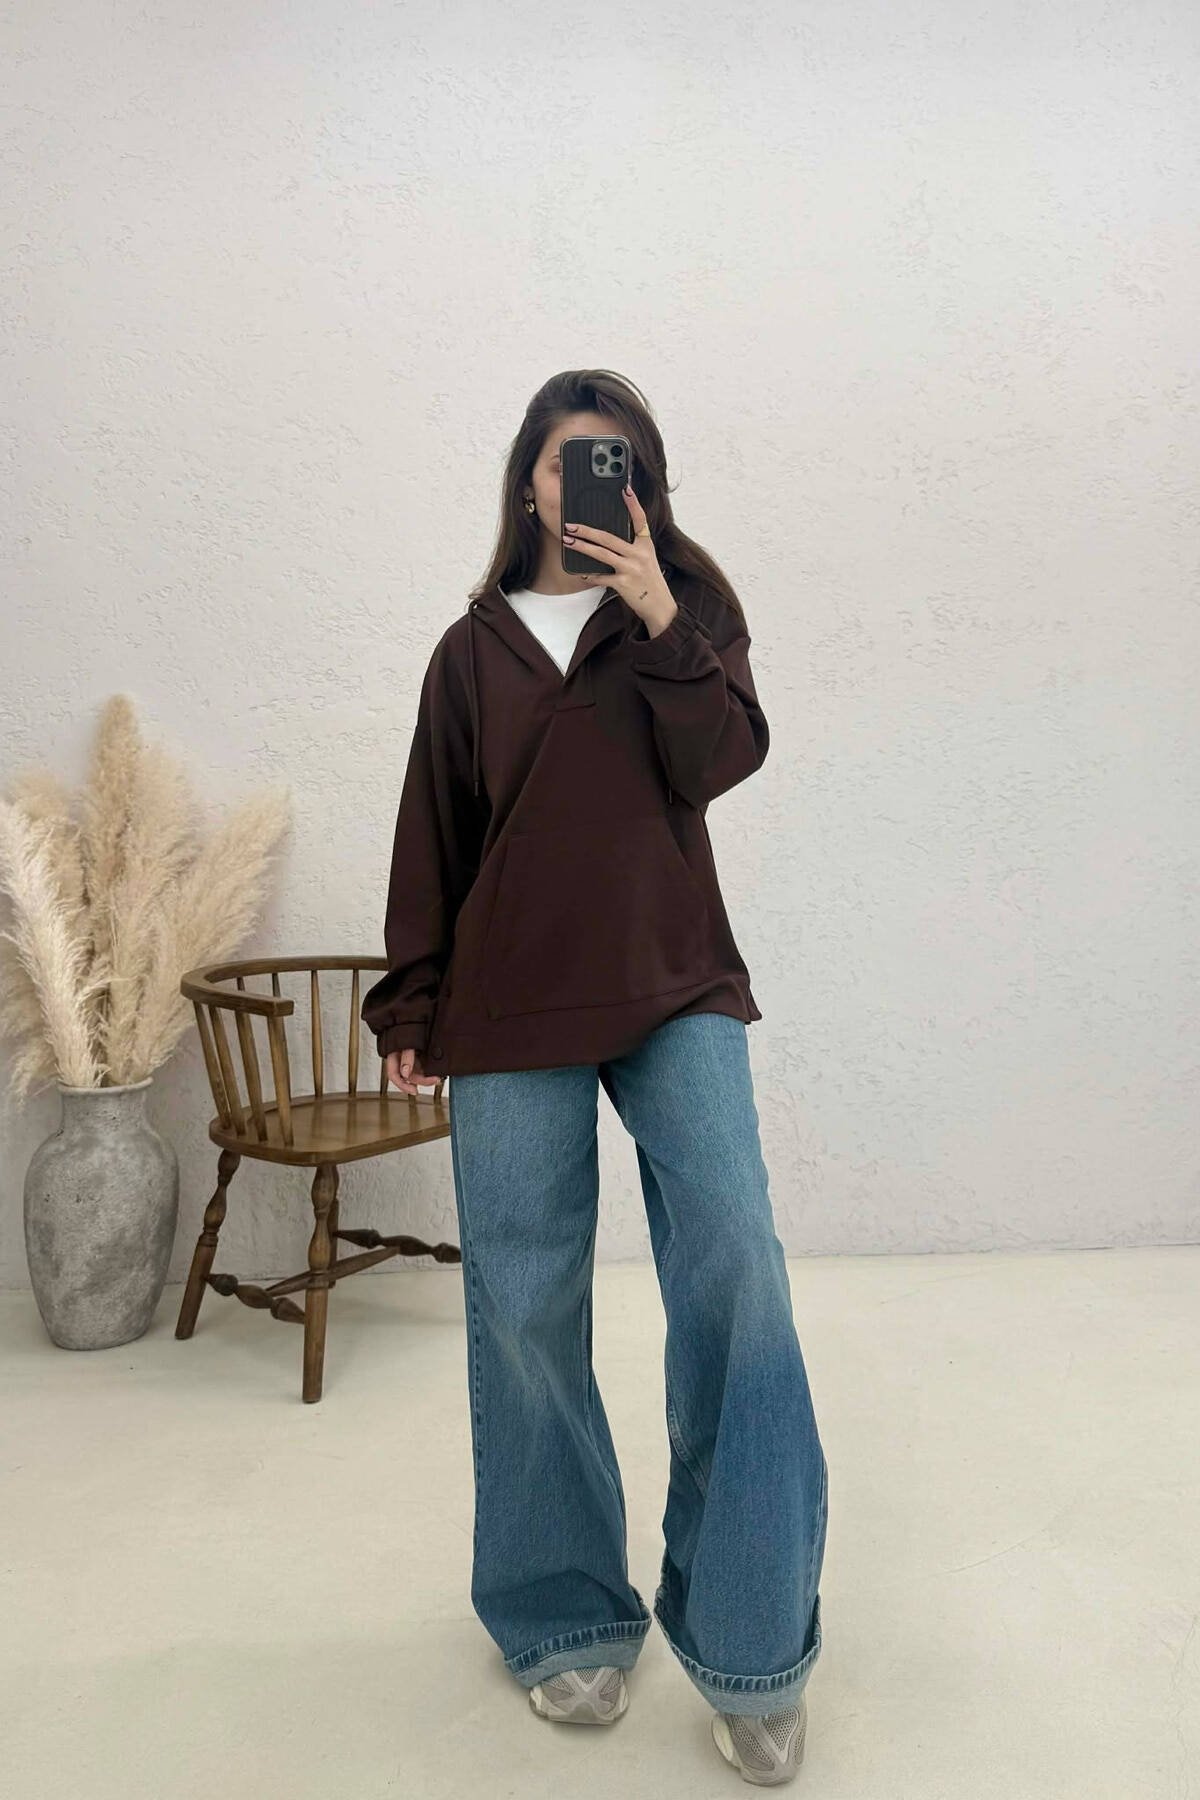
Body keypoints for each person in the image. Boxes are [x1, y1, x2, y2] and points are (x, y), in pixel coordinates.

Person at [362, 369, 827, 1786]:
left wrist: (666, 616)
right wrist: (412, 999)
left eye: (615, 460)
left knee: (737, 1266)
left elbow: (725, 759)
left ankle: (752, 1641)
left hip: (675, 983)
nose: (588, 482)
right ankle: (563, 1611)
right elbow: (434, 831)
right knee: (523, 1304)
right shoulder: (473, 649)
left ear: (645, 481)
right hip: (509, 1002)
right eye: (569, 461)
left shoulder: (686, 616)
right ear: (529, 483)